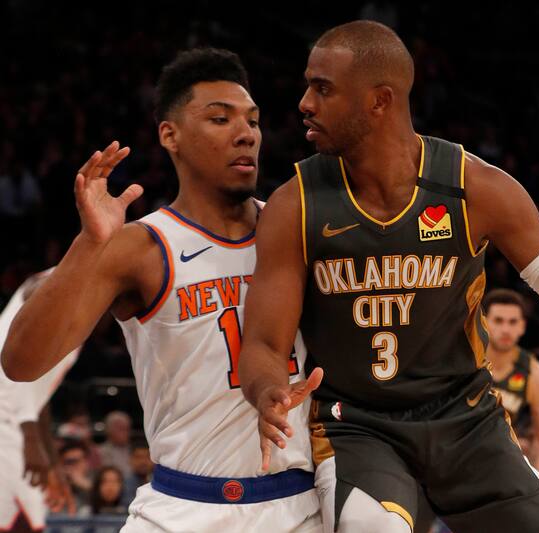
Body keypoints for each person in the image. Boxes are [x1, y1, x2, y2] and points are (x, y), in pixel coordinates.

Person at [239, 20, 539, 533]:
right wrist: (267, 391)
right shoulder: (295, 204)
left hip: (467, 421)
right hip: (358, 427)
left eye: (322, 89)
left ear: (379, 100)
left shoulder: (473, 187)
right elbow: (263, 341)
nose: (304, 103)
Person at [1, 48, 320, 532]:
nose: (246, 133)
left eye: (253, 121)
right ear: (170, 135)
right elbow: (21, 362)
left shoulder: (296, 230)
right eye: (220, 118)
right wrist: (89, 246)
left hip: (297, 506)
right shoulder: (143, 247)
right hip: (181, 508)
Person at [0, 270, 78, 531]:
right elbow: (15, 372)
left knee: (31, 519)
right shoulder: (61, 281)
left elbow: (38, 398)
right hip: (8, 422)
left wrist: (53, 462)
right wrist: (31, 439)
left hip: (17, 423)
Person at [482, 288, 539, 470]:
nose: (506, 329)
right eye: (498, 321)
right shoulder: (464, 361)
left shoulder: (536, 374)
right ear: (483, 322)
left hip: (503, 461)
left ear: (522, 326)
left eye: (513, 322)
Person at [99, 411, 132, 477]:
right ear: (109, 430)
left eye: (127, 429)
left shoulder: (134, 450)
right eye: (121, 429)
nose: (126, 433)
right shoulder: (100, 451)